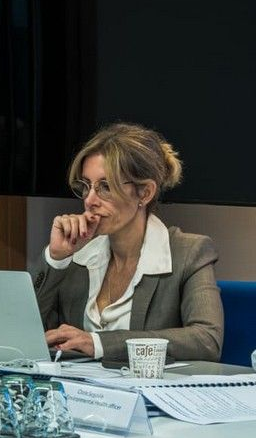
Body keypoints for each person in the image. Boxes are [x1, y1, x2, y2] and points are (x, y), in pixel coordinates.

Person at [33, 122, 223, 362]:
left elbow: (206, 340)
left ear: (144, 193)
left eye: (105, 187)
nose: (90, 200)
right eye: (86, 186)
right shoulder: (76, 254)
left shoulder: (189, 252)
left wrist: (99, 344)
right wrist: (56, 258)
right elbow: (24, 331)